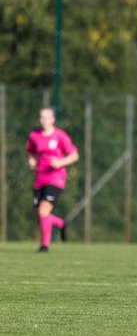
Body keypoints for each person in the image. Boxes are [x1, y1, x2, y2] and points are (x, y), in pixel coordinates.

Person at [26, 107, 79, 253]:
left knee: (43, 211)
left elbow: (74, 155)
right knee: (41, 215)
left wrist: (60, 162)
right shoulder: (34, 135)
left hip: (56, 178)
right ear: (39, 119)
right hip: (39, 178)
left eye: (47, 117)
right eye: (42, 118)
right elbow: (30, 152)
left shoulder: (60, 136)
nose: (44, 121)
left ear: (53, 119)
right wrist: (31, 160)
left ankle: (44, 246)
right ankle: (61, 224)